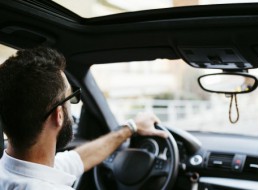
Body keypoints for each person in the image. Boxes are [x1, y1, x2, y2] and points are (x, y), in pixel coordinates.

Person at [0, 47, 168, 190]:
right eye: (70, 97)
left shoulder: (11, 169)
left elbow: (76, 159)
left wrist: (131, 127)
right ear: (58, 115)